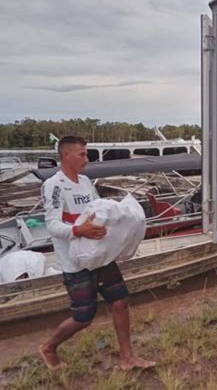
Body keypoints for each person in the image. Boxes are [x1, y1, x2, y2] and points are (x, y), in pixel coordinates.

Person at [38, 135, 155, 371]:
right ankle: (49, 347)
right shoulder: (54, 185)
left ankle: (127, 357)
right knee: (83, 317)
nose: (87, 158)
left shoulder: (85, 182)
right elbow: (52, 226)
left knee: (120, 301)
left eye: (86, 153)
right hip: (76, 263)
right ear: (66, 155)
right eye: (82, 154)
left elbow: (98, 212)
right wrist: (79, 230)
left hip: (101, 256)